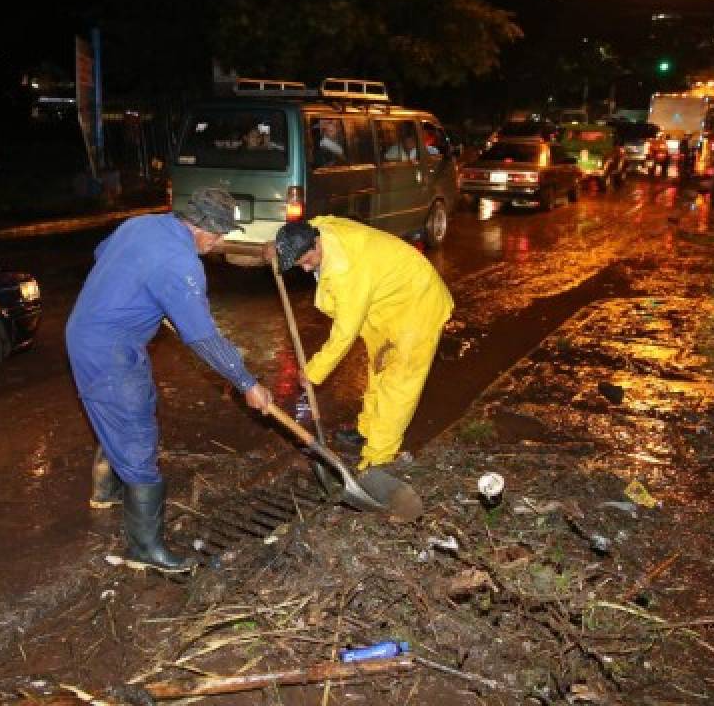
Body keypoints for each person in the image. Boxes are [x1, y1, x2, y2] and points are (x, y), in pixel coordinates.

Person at [66, 188, 274, 573]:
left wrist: (138, 293)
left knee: (127, 409)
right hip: (108, 347)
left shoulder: (142, 224)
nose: (220, 242)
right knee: (136, 429)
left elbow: (102, 254)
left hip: (92, 329)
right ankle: (144, 550)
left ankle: (107, 491)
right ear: (204, 230)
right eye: (220, 234)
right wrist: (247, 382)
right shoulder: (180, 264)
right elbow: (204, 337)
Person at [272, 217, 452, 473]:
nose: (304, 269)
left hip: (416, 308)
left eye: (306, 261)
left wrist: (313, 372)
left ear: (316, 244)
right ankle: (367, 430)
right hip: (388, 307)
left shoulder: (347, 271)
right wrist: (277, 247)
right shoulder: (320, 230)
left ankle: (379, 459)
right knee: (379, 372)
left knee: (397, 387)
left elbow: (345, 333)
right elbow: (317, 220)